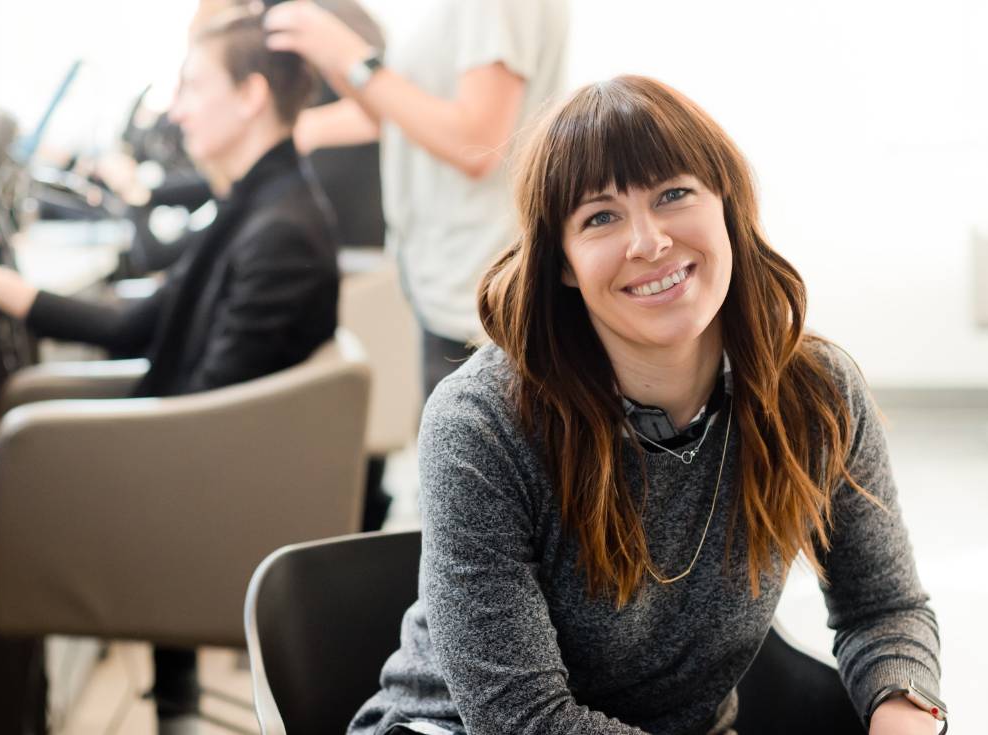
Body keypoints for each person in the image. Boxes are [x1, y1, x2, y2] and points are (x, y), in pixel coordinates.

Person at [347, 77, 946, 735]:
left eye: (673, 194)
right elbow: (521, 718)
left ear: (728, 206)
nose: (649, 241)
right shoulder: (482, 422)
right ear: (564, 262)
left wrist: (906, 714)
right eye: (600, 216)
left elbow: (882, 607)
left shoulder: (814, 392)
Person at [0, 11, 340, 733]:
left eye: (192, 86)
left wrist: (44, 465)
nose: (175, 108)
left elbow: (203, 423)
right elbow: (132, 328)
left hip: (195, 509)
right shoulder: (256, 207)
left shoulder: (279, 233)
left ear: (251, 96)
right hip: (180, 474)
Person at [264, 0, 570, 400]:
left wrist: (351, 57)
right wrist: (335, 61)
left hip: (479, 294)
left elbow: (476, 143)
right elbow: (395, 117)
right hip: (444, 284)